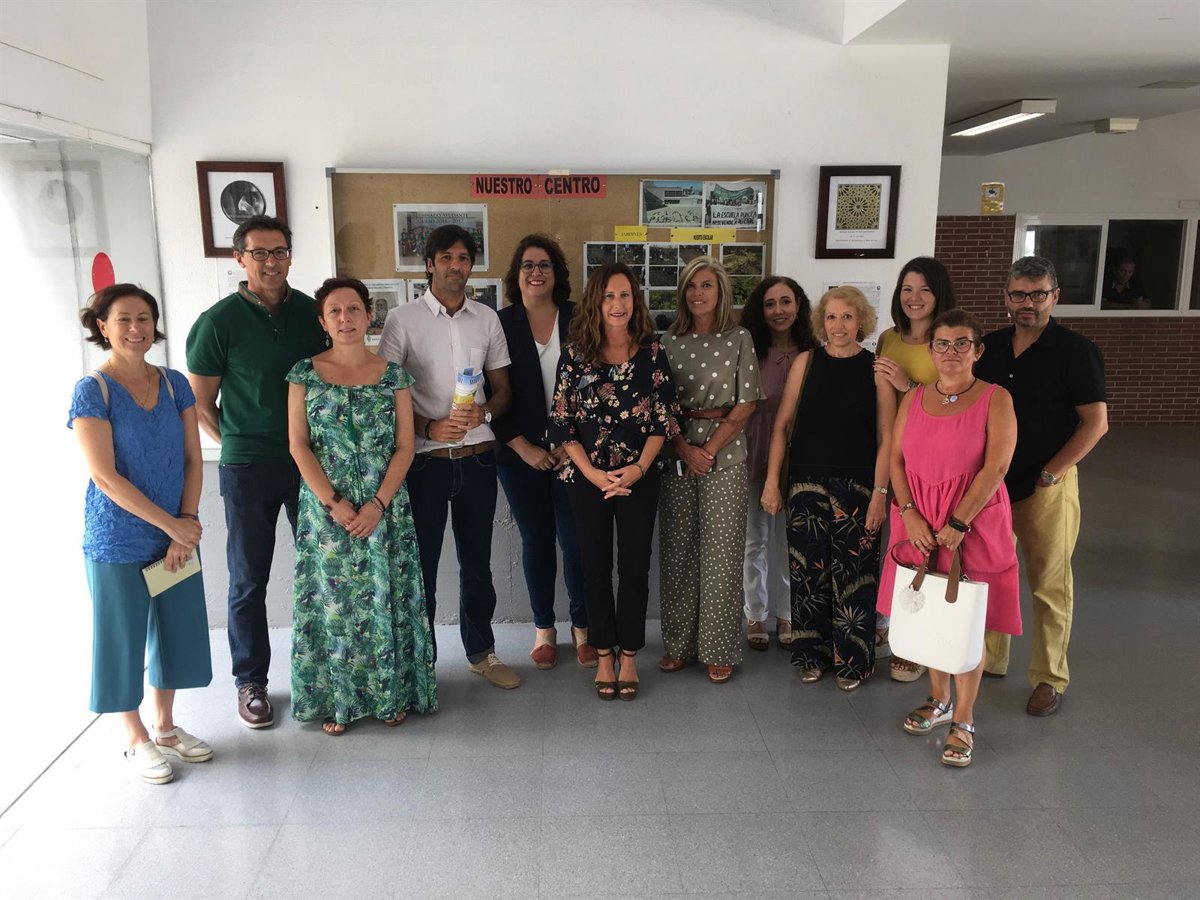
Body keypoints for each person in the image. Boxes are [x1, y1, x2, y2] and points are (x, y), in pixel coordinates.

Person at [186, 214, 327, 729]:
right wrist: (238, 442)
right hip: (248, 467)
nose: (272, 262)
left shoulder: (313, 314)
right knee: (248, 579)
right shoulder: (217, 322)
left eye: (280, 251)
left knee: (326, 571)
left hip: (312, 463)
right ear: (239, 258)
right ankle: (251, 682)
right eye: (260, 253)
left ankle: (328, 674)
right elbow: (202, 404)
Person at [71, 284, 213, 784]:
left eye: (144, 319)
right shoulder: (93, 390)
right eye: (124, 320)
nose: (136, 329)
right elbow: (105, 477)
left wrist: (185, 523)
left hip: (175, 534)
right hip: (117, 539)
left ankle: (166, 728)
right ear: (103, 327)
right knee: (122, 636)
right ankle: (134, 736)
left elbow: (193, 459)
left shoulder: (175, 384)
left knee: (173, 631)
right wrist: (174, 525)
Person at [287, 278, 438, 734]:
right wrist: (334, 503)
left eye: (354, 309)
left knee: (385, 597)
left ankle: (392, 695)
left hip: (384, 506)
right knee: (335, 603)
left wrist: (377, 504)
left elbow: (405, 447)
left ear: (369, 316)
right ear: (322, 321)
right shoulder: (304, 374)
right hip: (325, 511)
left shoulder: (393, 376)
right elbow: (298, 445)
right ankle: (339, 701)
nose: (345, 318)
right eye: (335, 311)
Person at [377, 224, 518, 688]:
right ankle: (422, 665)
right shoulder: (403, 320)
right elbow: (386, 394)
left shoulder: (487, 319)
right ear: (429, 264)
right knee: (423, 567)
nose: (456, 266)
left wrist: (485, 412)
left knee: (477, 564)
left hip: (477, 460)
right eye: (446, 257)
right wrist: (427, 427)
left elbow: (504, 390)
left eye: (463, 258)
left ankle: (482, 653)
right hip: (425, 464)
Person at [878, 309, 1019, 767]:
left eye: (962, 343)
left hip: (971, 521)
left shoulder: (995, 398)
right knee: (930, 614)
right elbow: (896, 460)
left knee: (965, 621)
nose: (951, 352)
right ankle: (938, 700)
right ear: (931, 350)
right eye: (942, 343)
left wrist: (957, 524)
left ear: (978, 351)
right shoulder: (915, 397)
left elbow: (997, 466)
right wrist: (909, 513)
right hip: (918, 519)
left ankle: (964, 717)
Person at [976, 256, 1108, 717]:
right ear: (1006, 298)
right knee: (991, 575)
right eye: (1018, 294)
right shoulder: (989, 348)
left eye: (1037, 294)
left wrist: (1052, 473)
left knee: (1050, 583)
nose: (1027, 303)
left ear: (1055, 297)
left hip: (1047, 485)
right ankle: (991, 659)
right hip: (993, 485)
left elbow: (1095, 424)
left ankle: (1050, 678)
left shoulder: (1076, 352)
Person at [548, 263, 679, 700]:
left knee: (635, 566)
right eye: (609, 296)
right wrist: (591, 473)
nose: (618, 304)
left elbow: (663, 419)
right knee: (594, 566)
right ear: (595, 302)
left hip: (638, 475)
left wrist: (638, 469)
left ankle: (630, 655)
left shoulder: (653, 352)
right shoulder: (575, 353)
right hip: (587, 477)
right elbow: (562, 421)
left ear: (635, 301)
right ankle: (604, 653)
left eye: (624, 295)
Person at [761, 286, 896, 691]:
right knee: (808, 574)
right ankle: (811, 656)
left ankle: (853, 660)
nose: (839, 325)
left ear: (861, 322)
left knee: (856, 576)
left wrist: (880, 494)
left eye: (847, 317)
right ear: (822, 321)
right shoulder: (806, 362)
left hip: (858, 486)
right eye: (832, 317)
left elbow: (887, 438)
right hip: (806, 483)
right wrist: (772, 481)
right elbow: (782, 426)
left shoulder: (876, 369)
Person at [658, 257, 764, 684]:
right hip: (677, 452)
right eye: (691, 286)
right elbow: (659, 404)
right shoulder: (668, 341)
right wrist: (685, 449)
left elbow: (747, 402)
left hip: (726, 455)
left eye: (706, 285)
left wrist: (709, 450)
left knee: (722, 555)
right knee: (678, 552)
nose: (698, 293)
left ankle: (718, 648)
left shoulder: (739, 338)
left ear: (721, 292)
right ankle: (677, 645)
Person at [492, 234, 593, 669]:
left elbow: (597, 389)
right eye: (528, 265)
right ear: (517, 274)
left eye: (545, 265)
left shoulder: (580, 318)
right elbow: (490, 393)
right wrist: (522, 446)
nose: (536, 272)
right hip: (519, 456)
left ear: (557, 273)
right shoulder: (499, 323)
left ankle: (583, 628)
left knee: (576, 543)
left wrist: (573, 446)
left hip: (577, 455)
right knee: (536, 542)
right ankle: (544, 629)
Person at [873, 256, 958, 684]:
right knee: (900, 549)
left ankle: (926, 644)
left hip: (937, 462)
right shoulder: (888, 338)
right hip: (895, 456)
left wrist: (908, 385)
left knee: (932, 551)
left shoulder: (948, 341)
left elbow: (958, 399)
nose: (915, 297)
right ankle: (898, 630)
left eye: (924, 289)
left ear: (939, 293)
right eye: (907, 288)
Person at [737, 276, 817, 651]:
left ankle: (787, 614)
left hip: (799, 456)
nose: (778, 310)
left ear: (798, 305)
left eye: (786, 302)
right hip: (754, 449)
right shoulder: (750, 350)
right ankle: (755, 613)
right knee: (754, 541)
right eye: (770, 304)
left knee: (791, 542)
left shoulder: (814, 353)